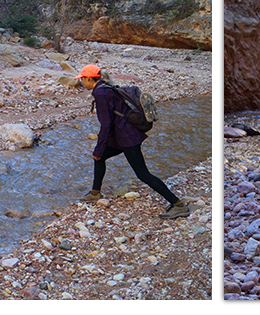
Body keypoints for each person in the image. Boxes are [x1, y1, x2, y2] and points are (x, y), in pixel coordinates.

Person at [75, 64, 189, 219]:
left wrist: (99, 146)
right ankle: (95, 193)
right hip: (123, 135)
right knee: (100, 158)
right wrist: (100, 150)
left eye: (82, 79)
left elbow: (106, 124)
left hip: (127, 138)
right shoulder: (106, 87)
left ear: (89, 78)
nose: (81, 82)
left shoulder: (101, 93)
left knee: (142, 174)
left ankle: (178, 205)